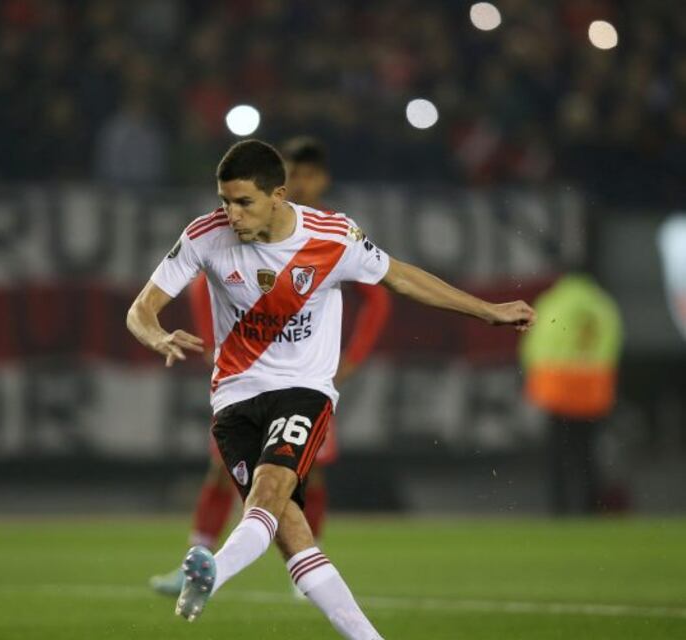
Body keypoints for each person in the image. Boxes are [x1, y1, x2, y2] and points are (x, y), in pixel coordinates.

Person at [126, 139, 534, 637]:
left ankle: (213, 571)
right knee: (289, 529)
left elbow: (402, 279)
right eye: (225, 201)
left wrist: (488, 310)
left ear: (279, 194)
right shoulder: (204, 235)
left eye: (244, 202)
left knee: (272, 488)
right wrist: (158, 336)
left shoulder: (333, 236)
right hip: (233, 396)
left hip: (303, 389)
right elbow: (141, 309)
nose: (231, 213)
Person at [149, 136, 392, 597]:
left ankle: (304, 564)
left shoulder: (330, 236)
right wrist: (213, 344)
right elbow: (204, 284)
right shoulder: (238, 230)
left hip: (304, 379)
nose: (299, 182)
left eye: (306, 174)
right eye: (292, 172)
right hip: (247, 379)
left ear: (319, 180)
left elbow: (379, 296)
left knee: (305, 473)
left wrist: (353, 357)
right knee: (223, 469)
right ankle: (195, 564)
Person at [520, 273, 622, 514]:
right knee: (587, 454)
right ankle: (589, 508)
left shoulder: (553, 301)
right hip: (592, 390)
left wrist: (533, 381)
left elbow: (533, 345)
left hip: (558, 389)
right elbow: (613, 345)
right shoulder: (603, 304)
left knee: (557, 455)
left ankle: (559, 509)